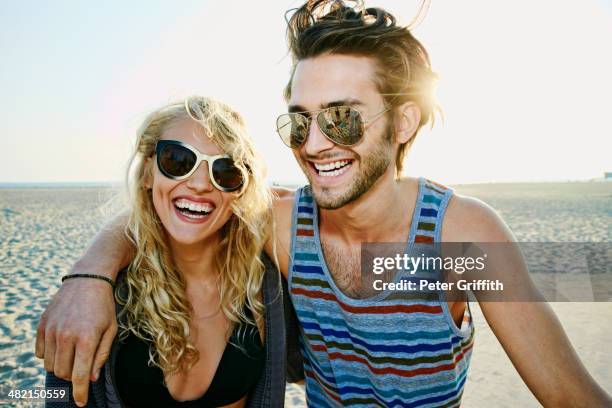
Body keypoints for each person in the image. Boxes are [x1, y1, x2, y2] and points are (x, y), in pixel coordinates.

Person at [38, 1, 611, 407]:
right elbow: (178, 204)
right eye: (300, 120)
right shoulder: (287, 225)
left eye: (342, 117)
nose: (314, 144)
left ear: (404, 121)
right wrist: (87, 278)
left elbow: (568, 395)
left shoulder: (456, 237)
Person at [44, 96, 295, 407]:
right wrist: (90, 273)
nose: (201, 184)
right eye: (178, 161)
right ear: (148, 173)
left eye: (226, 171)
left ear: (242, 187)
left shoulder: (265, 290)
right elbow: (58, 397)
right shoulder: (97, 298)